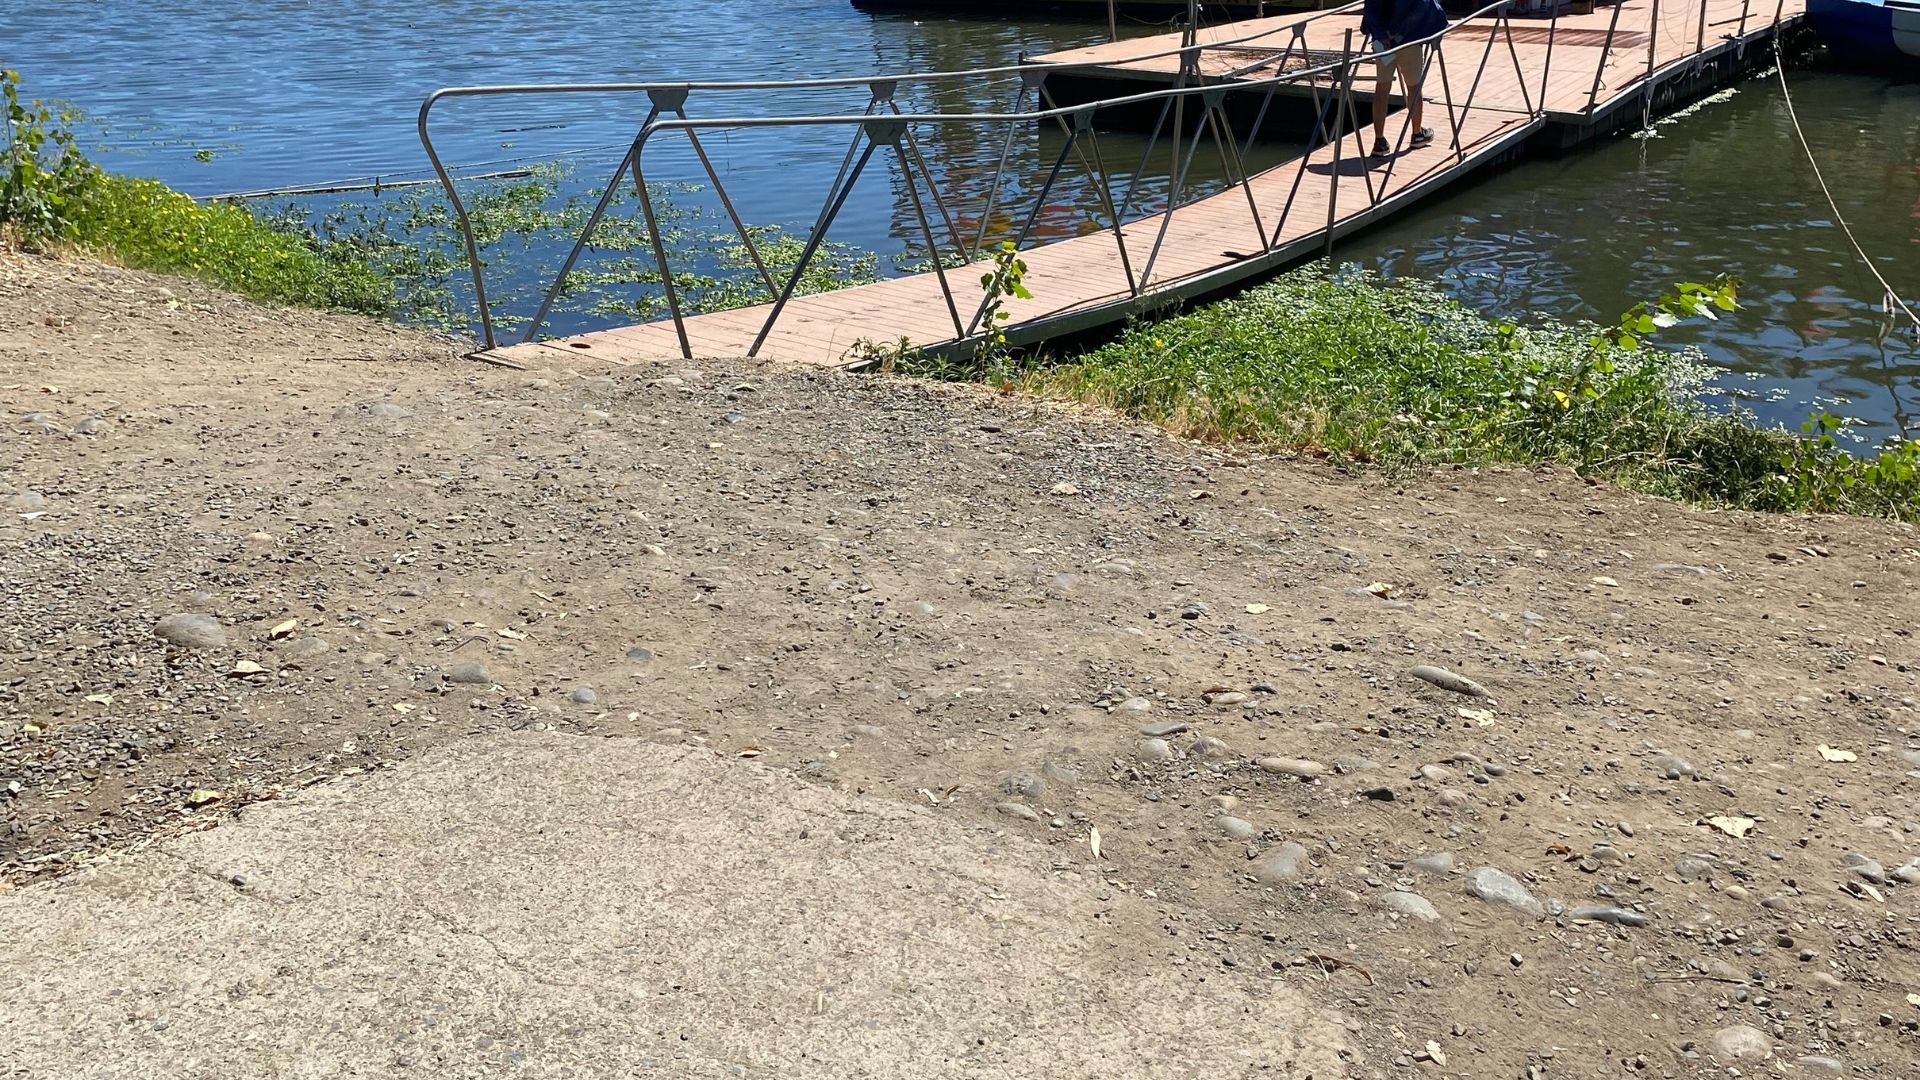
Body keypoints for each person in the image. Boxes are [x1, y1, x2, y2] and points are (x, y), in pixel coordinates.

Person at [1358, 0, 1448, 159]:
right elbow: (1421, 7)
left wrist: (1382, 35)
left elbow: (1370, 12)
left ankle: (1379, 141)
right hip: (1408, 40)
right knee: (1413, 87)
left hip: (1382, 43)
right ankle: (1417, 134)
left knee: (1382, 88)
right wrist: (1399, 33)